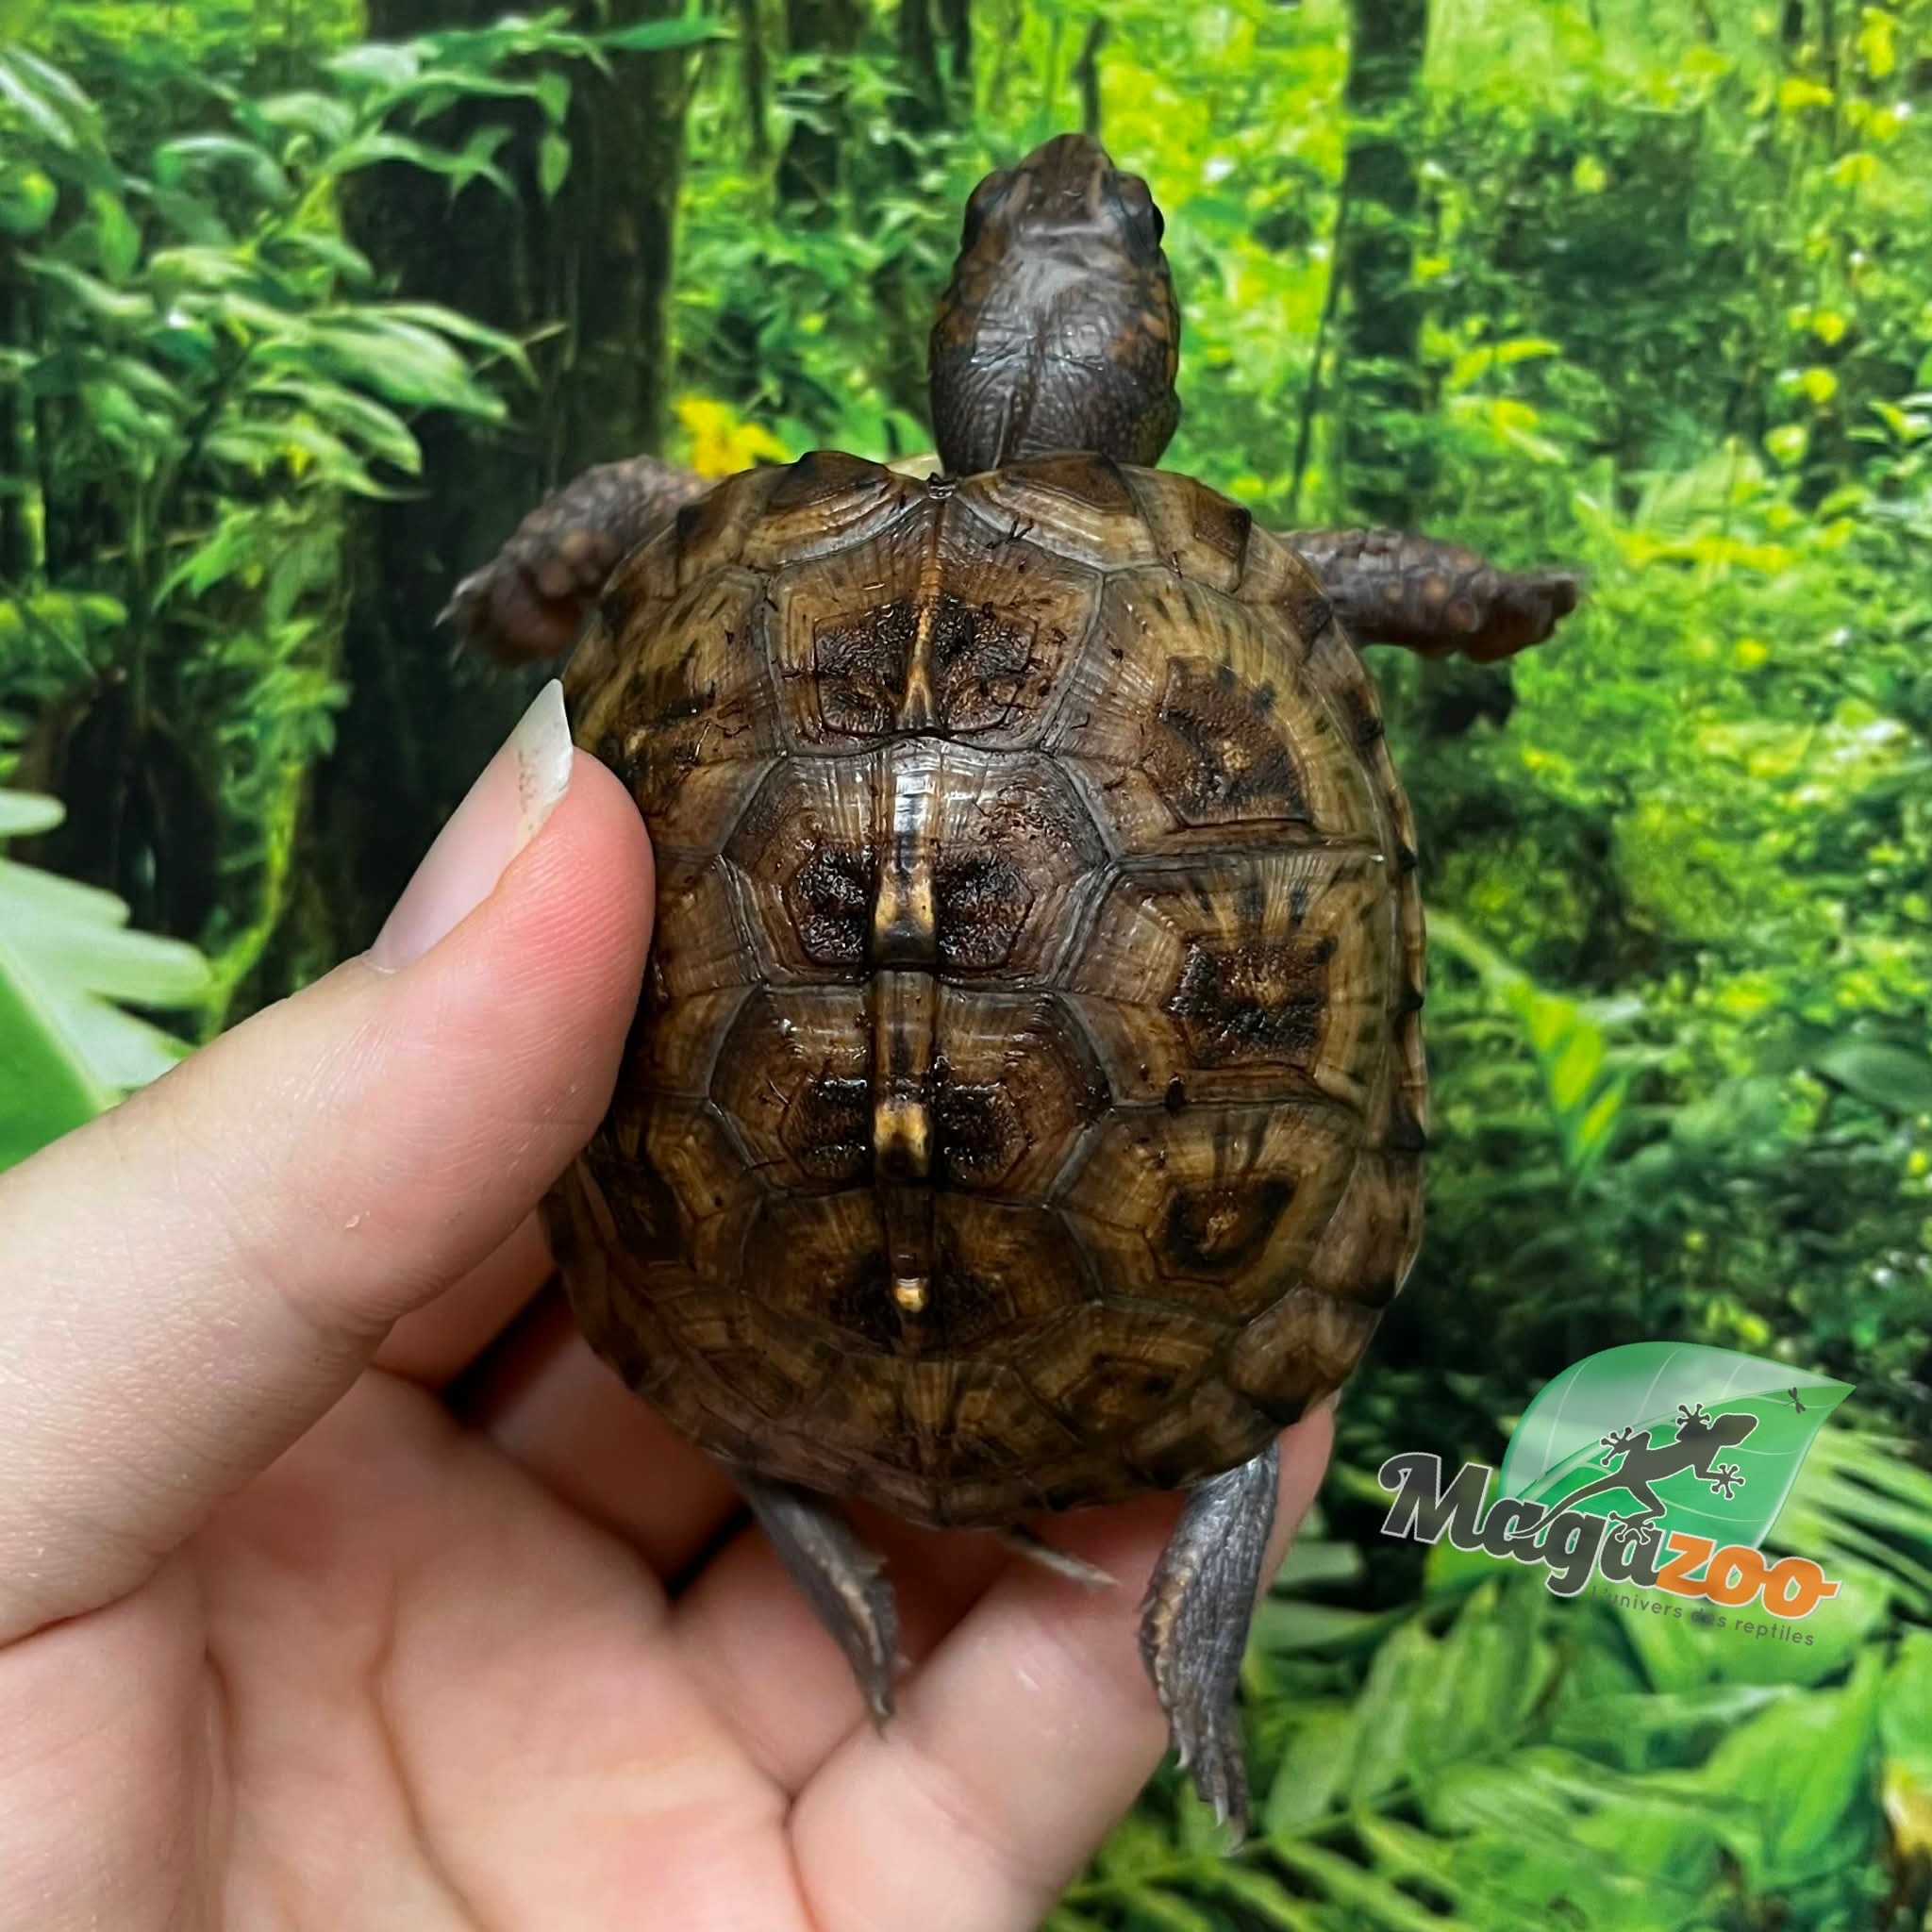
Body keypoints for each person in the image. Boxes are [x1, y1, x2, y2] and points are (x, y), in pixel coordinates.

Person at [0, 685, 1331, 1931]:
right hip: (1103, 1310)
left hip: (755, 1324)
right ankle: (1203, 1482)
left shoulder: (729, 557)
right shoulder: (1219, 649)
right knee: (1238, 1407)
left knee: (747, 1398)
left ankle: (837, 1497)